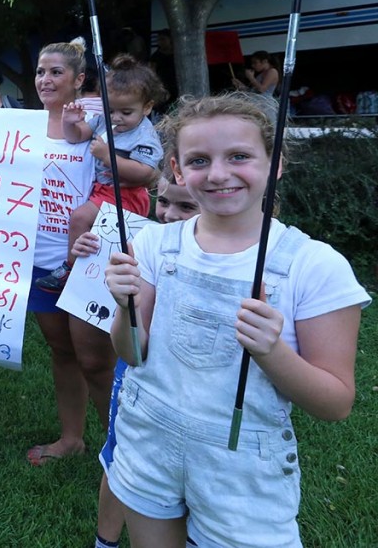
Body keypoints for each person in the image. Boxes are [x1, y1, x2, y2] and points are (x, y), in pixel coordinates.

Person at [104, 93, 368, 548]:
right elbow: (133, 352)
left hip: (242, 469)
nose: (220, 173)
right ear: (178, 170)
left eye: (240, 156)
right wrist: (124, 308)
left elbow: (335, 404)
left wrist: (271, 351)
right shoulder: (154, 245)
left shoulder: (315, 266)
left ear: (275, 163)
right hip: (146, 442)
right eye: (200, 160)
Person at [88, 169, 200, 548]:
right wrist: (87, 249)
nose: (168, 213)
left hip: (194, 390)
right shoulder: (146, 239)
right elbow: (132, 344)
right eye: (164, 201)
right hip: (138, 373)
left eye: (186, 206)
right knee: (119, 456)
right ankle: (105, 541)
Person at [23, 38, 102, 466]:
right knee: (62, 349)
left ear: (79, 79)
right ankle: (72, 438)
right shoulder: (22, 125)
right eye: (40, 71)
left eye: (56, 72)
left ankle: (124, 447)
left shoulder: (99, 123)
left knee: (96, 358)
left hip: (87, 258)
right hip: (38, 260)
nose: (46, 79)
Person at [34, 54, 165, 293]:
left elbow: (144, 172)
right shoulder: (107, 120)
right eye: (111, 109)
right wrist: (70, 123)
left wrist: (108, 157)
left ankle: (69, 269)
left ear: (147, 107)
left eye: (126, 112)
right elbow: (77, 136)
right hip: (104, 190)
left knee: (80, 218)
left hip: (126, 194)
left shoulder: (144, 136)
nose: (116, 118)